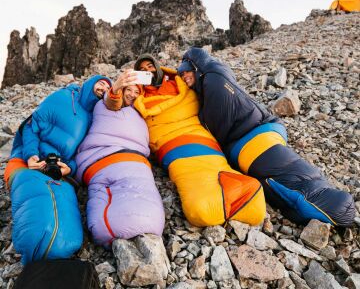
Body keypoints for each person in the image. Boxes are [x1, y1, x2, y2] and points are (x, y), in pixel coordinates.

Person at [178, 47, 355, 227]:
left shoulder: (213, 78)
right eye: (180, 73)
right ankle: (308, 209)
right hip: (247, 138)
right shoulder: (205, 84)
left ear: (196, 66)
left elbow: (220, 123)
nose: (184, 76)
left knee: (290, 177)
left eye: (185, 70)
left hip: (255, 134)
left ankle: (333, 203)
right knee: (271, 188)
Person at [105, 55, 267, 227]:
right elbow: (113, 105)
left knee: (217, 165)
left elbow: (210, 83)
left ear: (158, 67)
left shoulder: (180, 81)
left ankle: (236, 190)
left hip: (198, 133)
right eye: (142, 70)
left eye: (150, 66)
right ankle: (213, 202)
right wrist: (117, 87)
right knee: (197, 201)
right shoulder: (137, 92)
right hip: (170, 142)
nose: (147, 71)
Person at [4, 75, 111, 264]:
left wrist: (68, 169)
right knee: (37, 200)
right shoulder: (64, 97)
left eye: (107, 88)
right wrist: (31, 155)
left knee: (65, 205)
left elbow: (79, 155)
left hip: (56, 170)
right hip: (25, 161)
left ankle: (55, 251)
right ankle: (36, 249)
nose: (103, 87)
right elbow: (32, 125)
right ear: (90, 82)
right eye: (101, 82)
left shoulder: (95, 118)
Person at [76, 73, 165, 247]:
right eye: (128, 90)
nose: (132, 94)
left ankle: (140, 224)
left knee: (146, 200)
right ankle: (108, 230)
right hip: (105, 160)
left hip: (137, 162)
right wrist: (116, 88)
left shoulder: (139, 113)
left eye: (136, 92)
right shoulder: (107, 105)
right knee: (106, 199)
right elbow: (112, 100)